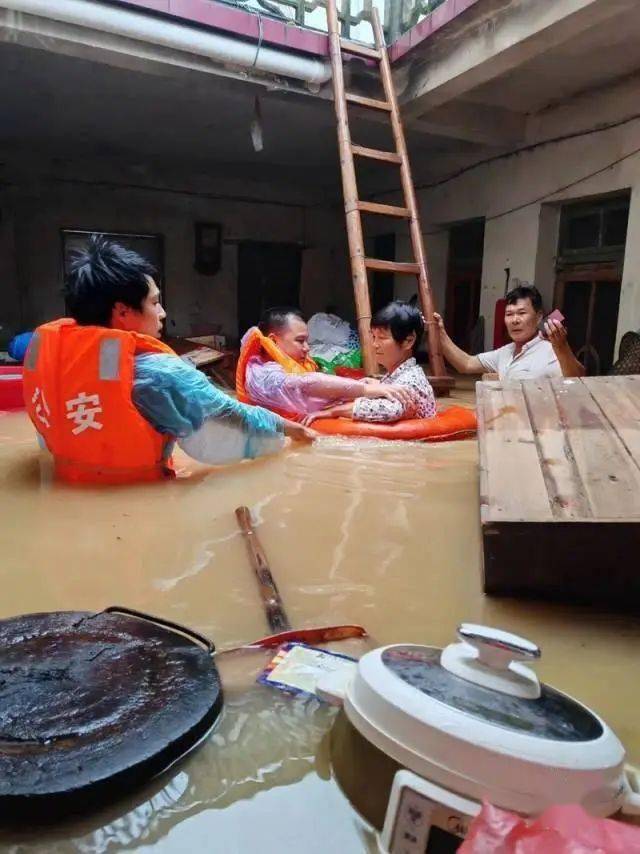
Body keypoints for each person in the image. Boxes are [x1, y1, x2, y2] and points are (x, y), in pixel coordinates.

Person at [22, 236, 314, 485]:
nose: (162, 312)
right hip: (138, 506)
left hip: (67, 487)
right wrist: (294, 431)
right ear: (122, 311)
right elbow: (231, 415)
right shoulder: (162, 374)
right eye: (154, 302)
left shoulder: (51, 355)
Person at [237, 307, 414, 419]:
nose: (307, 348)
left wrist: (363, 384)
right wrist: (366, 390)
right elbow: (305, 383)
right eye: (300, 341)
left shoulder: (291, 364)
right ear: (274, 342)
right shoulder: (261, 374)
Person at [303, 301, 436, 425]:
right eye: (373, 337)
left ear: (408, 341)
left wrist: (333, 412)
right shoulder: (399, 374)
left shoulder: (411, 380)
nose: (374, 344)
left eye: (382, 338)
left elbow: (391, 410)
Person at [434, 285, 585, 381]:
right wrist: (440, 333)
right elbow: (466, 364)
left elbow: (578, 379)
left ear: (539, 316)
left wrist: (562, 348)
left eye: (521, 313)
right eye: (509, 314)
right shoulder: (504, 353)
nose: (515, 320)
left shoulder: (551, 351)